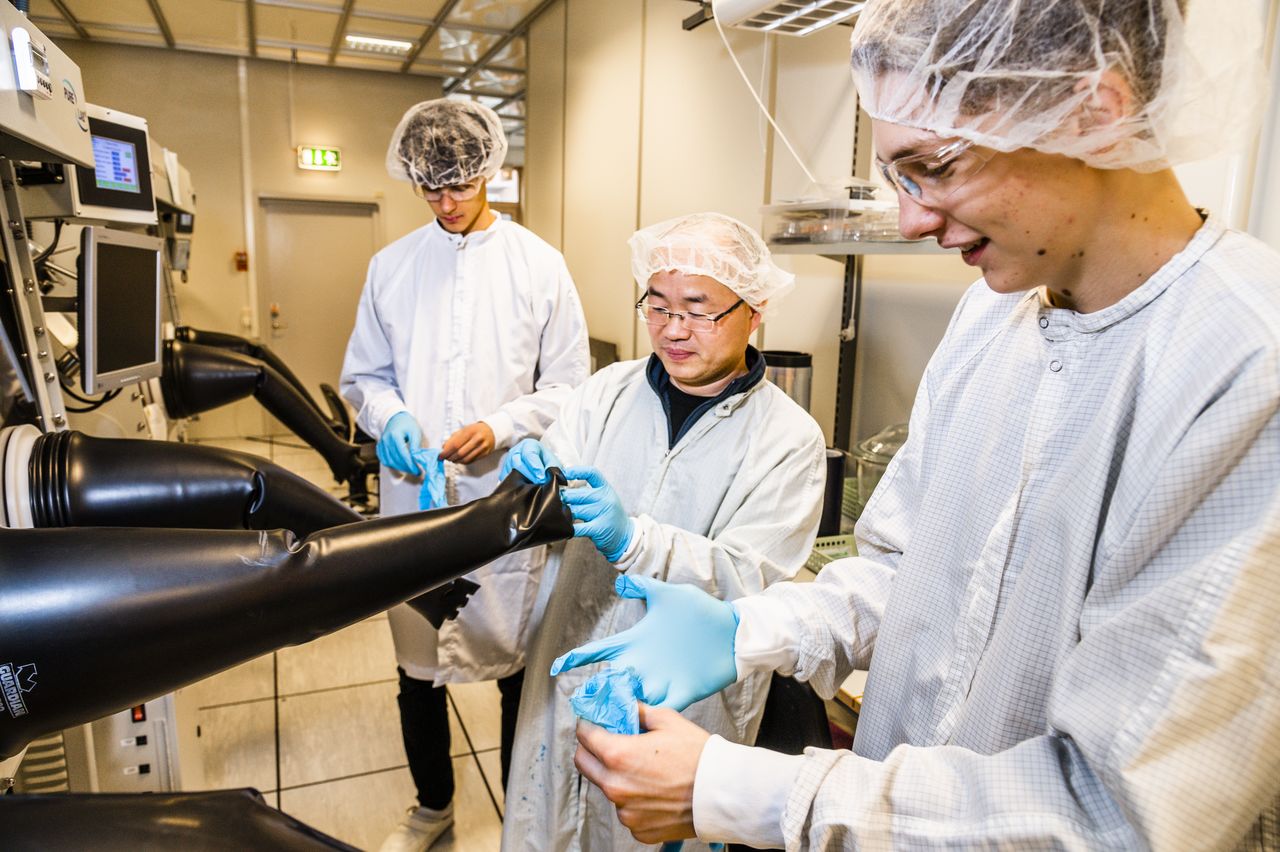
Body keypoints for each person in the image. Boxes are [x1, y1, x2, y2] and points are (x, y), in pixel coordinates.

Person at [556, 0, 1280, 848]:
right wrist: (753, 627)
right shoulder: (991, 316)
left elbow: (1125, 814)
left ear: (1094, 109)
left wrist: (749, 792)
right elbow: (903, 569)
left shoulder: (1243, 364)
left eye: (932, 167)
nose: (909, 220)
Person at [497, 212, 829, 851]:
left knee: (642, 835)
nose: (673, 330)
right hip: (568, 660)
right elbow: (554, 483)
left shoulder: (789, 441)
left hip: (681, 697)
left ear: (753, 310)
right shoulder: (606, 393)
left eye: (699, 310)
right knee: (548, 826)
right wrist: (531, 478)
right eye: (658, 305)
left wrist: (637, 542)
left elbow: (748, 579)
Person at [340, 98, 590, 852]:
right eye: (430, 189)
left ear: (491, 171)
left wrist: (504, 425)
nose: (446, 202)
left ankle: (521, 804)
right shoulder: (392, 266)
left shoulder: (540, 266)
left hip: (501, 499)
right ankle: (432, 805)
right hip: (413, 501)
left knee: (516, 663)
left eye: (459, 185)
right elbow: (364, 378)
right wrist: (393, 420)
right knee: (417, 664)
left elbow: (571, 385)